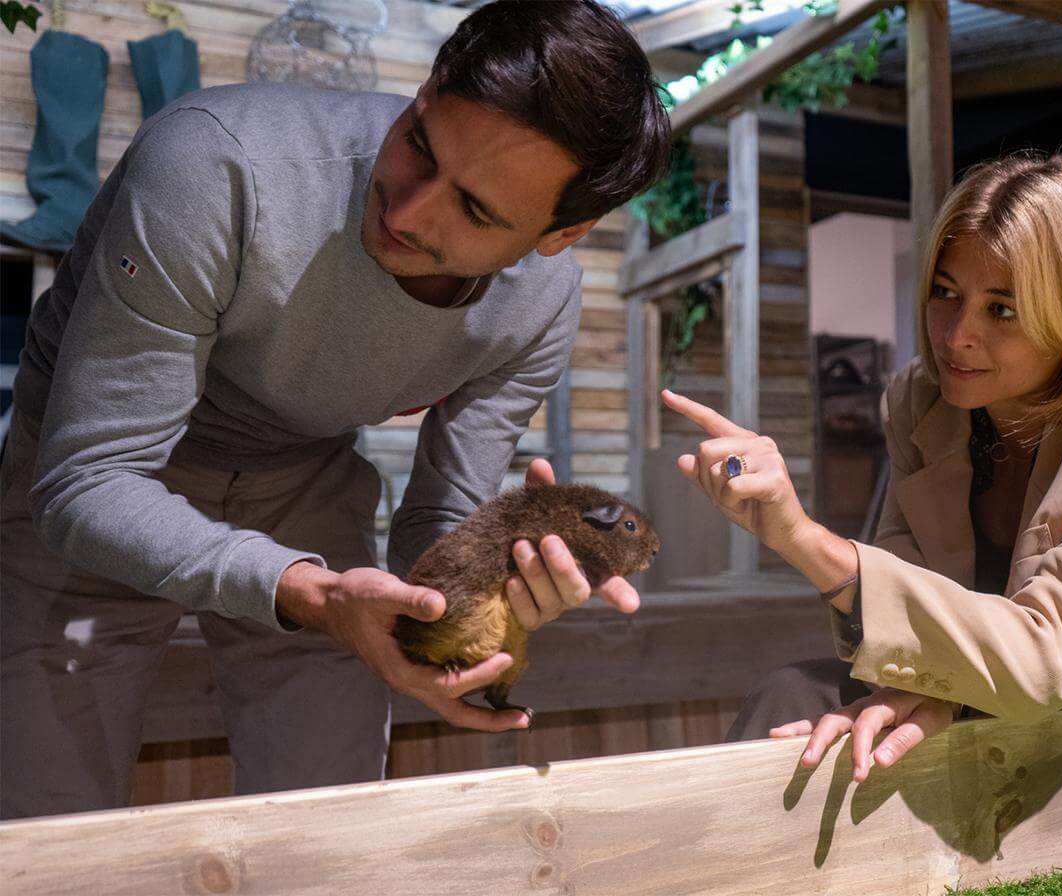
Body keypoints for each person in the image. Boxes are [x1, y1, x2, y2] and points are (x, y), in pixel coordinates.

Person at [0, 0, 669, 818]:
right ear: (428, 86)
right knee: (43, 814)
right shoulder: (218, 165)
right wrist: (307, 592)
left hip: (302, 476)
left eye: (477, 211)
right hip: (91, 473)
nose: (408, 211)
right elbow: (88, 483)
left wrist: (471, 595)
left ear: (562, 234)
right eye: (419, 141)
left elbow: (443, 522)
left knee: (332, 802)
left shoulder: (539, 305)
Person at [663, 151, 1062, 784]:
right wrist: (921, 694)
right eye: (946, 292)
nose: (956, 335)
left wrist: (801, 539)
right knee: (794, 698)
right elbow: (910, 607)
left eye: (1002, 309)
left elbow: (1046, 660)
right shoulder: (923, 404)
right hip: (988, 716)